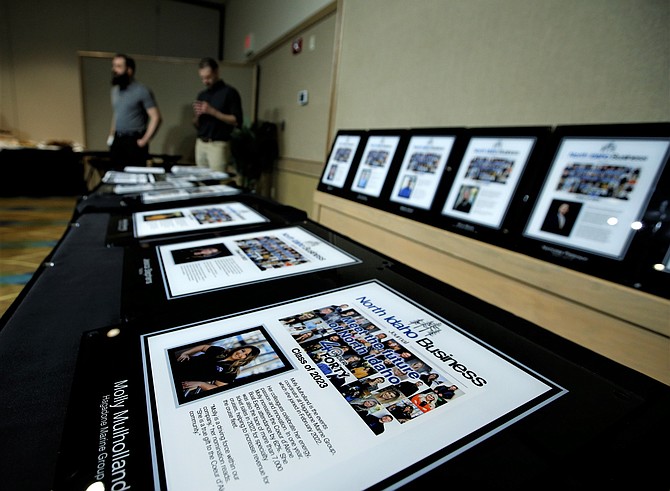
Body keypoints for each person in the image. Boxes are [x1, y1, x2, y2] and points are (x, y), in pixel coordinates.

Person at [108, 53, 161, 168]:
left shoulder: (141, 91)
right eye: (113, 66)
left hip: (134, 140)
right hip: (118, 139)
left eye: (118, 66)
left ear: (129, 70)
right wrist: (111, 136)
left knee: (135, 175)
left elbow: (156, 117)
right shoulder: (115, 91)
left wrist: (144, 140)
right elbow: (116, 113)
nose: (114, 70)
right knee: (116, 174)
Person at [193, 57, 243, 172]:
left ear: (216, 72)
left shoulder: (229, 92)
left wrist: (213, 112)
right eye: (202, 78)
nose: (205, 81)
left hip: (218, 144)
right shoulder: (202, 95)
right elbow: (197, 124)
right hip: (201, 142)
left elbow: (237, 120)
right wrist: (197, 117)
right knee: (200, 181)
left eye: (208, 77)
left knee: (216, 182)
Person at [175, 343, 260, 395]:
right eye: (243, 350)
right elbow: (203, 347)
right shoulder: (220, 351)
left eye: (245, 355)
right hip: (176, 364)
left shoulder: (231, 372)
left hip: (180, 380)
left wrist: (200, 384)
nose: (240, 354)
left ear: (246, 359)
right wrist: (186, 353)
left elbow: (218, 387)